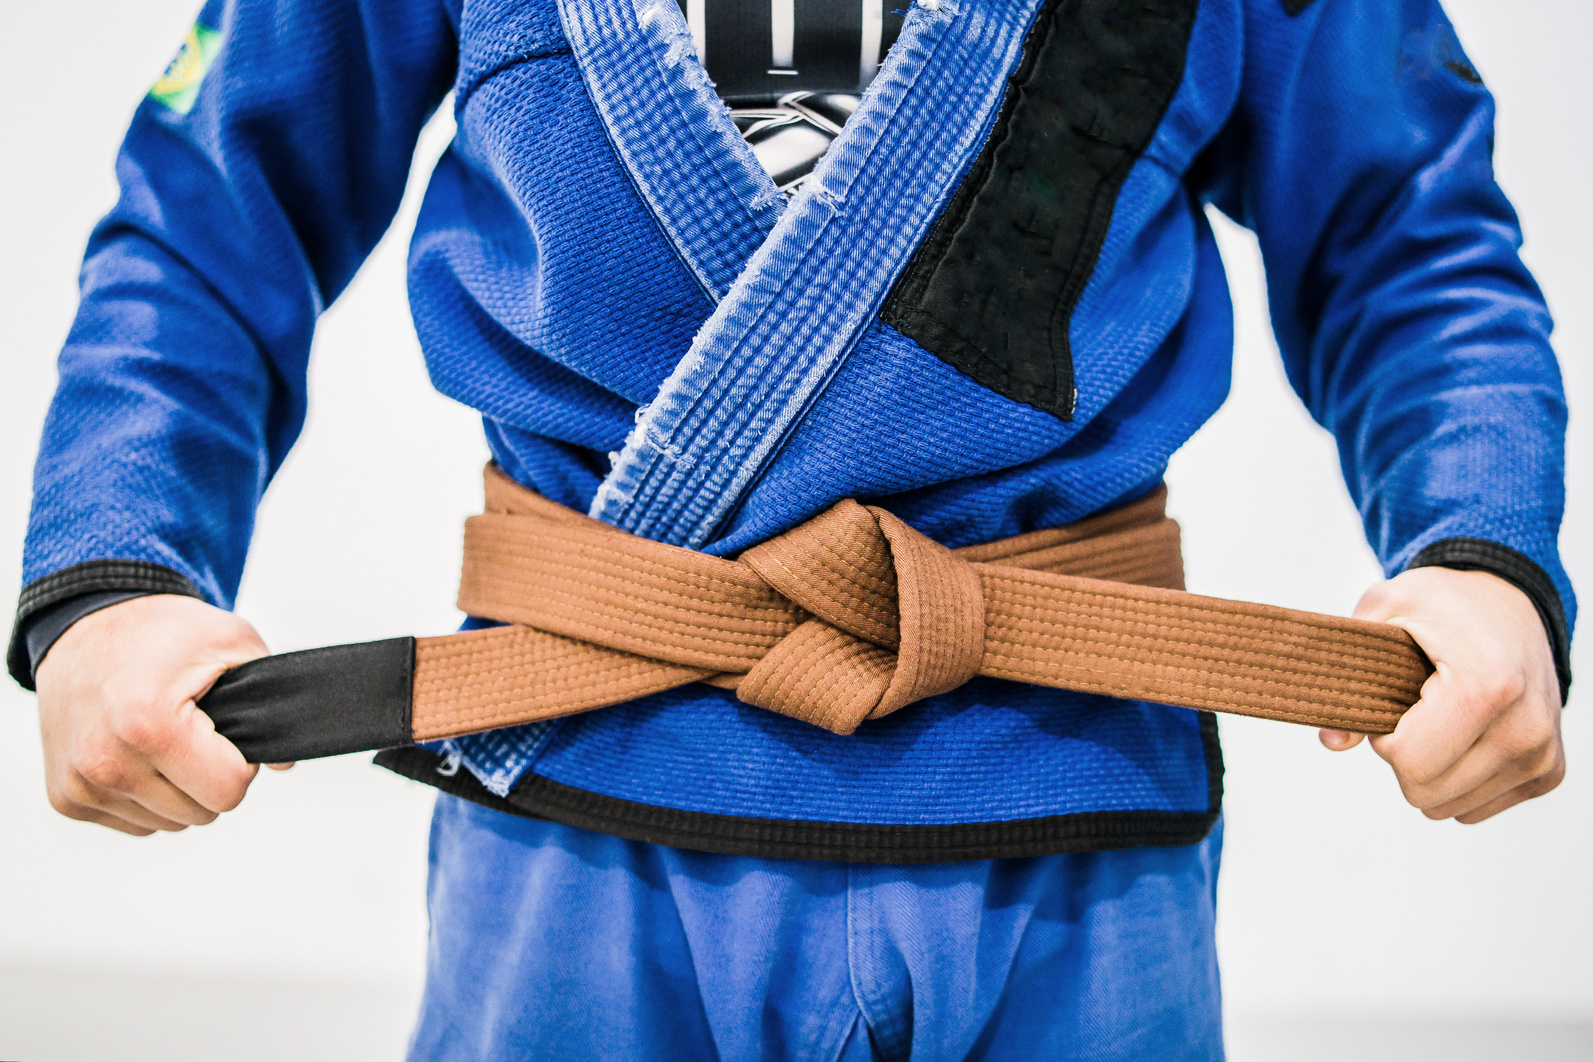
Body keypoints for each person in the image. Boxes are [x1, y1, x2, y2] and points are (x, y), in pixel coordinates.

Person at [8, 0, 1572, 1057]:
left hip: (1066, 827)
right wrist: (115, 566)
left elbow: (1406, 237)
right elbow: (211, 221)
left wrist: (1475, 540)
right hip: (584, 816)